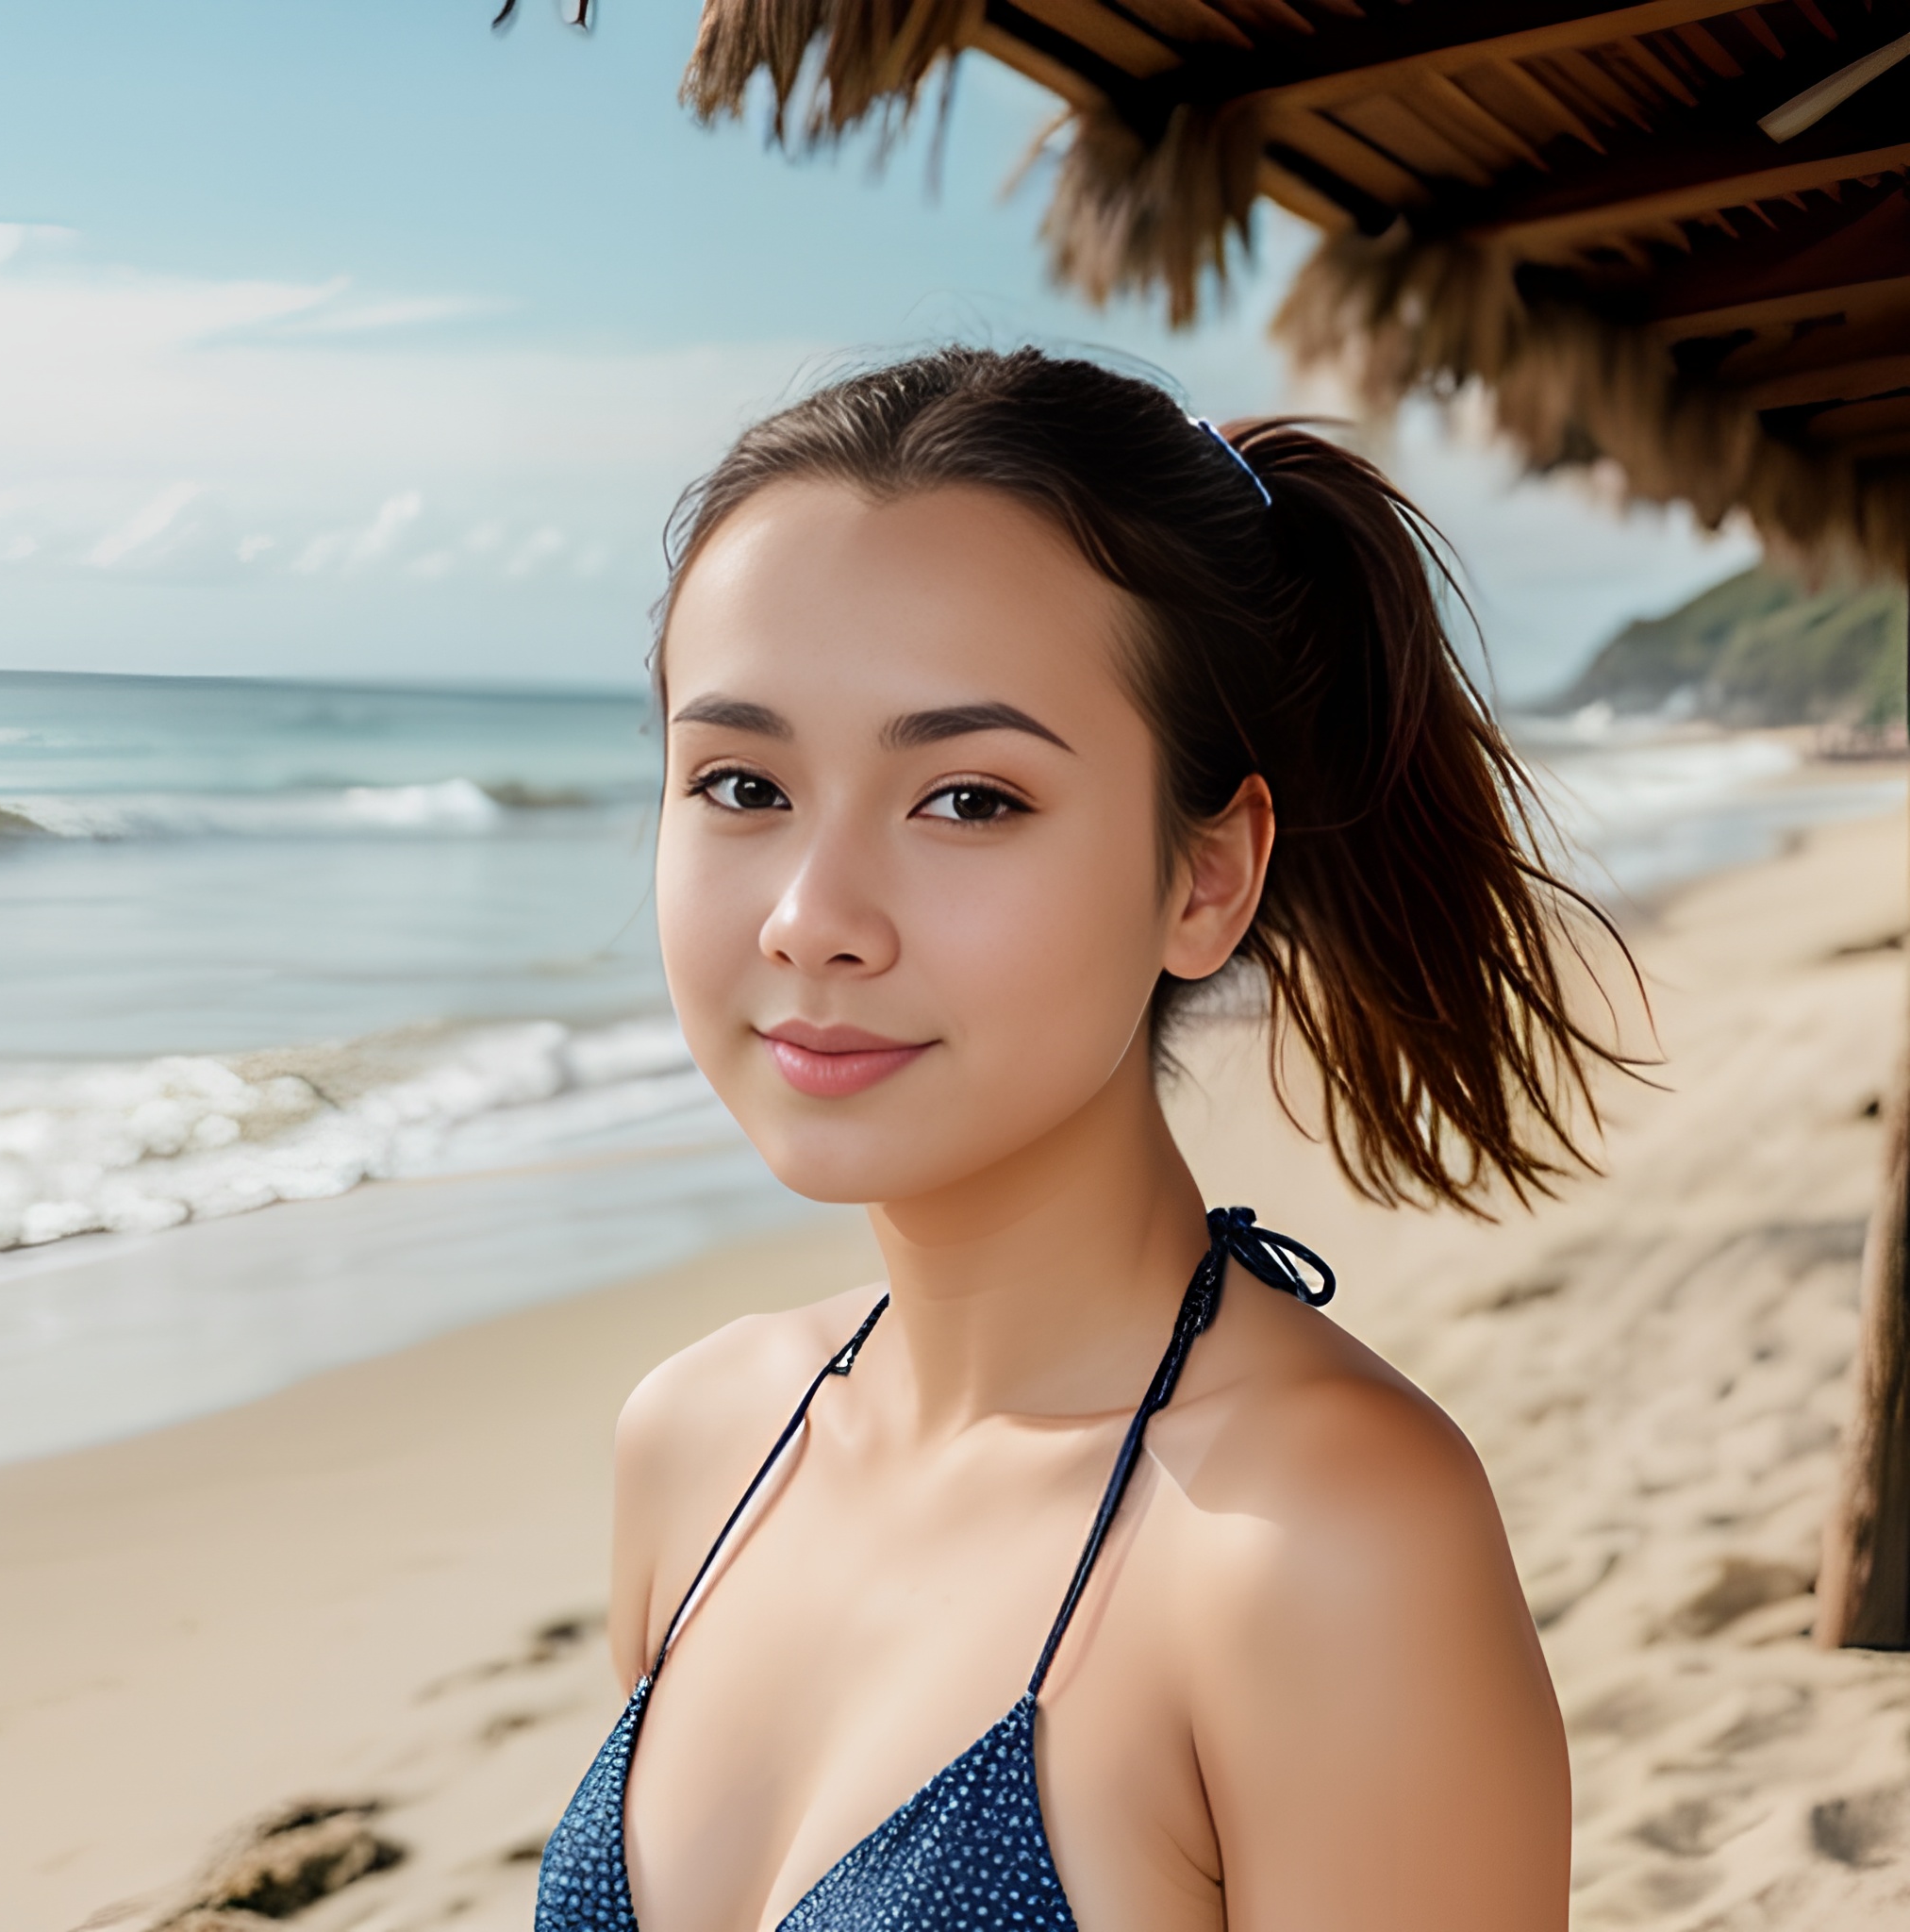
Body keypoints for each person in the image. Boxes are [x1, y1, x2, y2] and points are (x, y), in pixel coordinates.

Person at [536, 346, 1623, 1932]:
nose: (809, 919)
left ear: (1206, 878)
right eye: (742, 781)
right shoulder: (698, 1441)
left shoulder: (1319, 1539)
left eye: (969, 799)